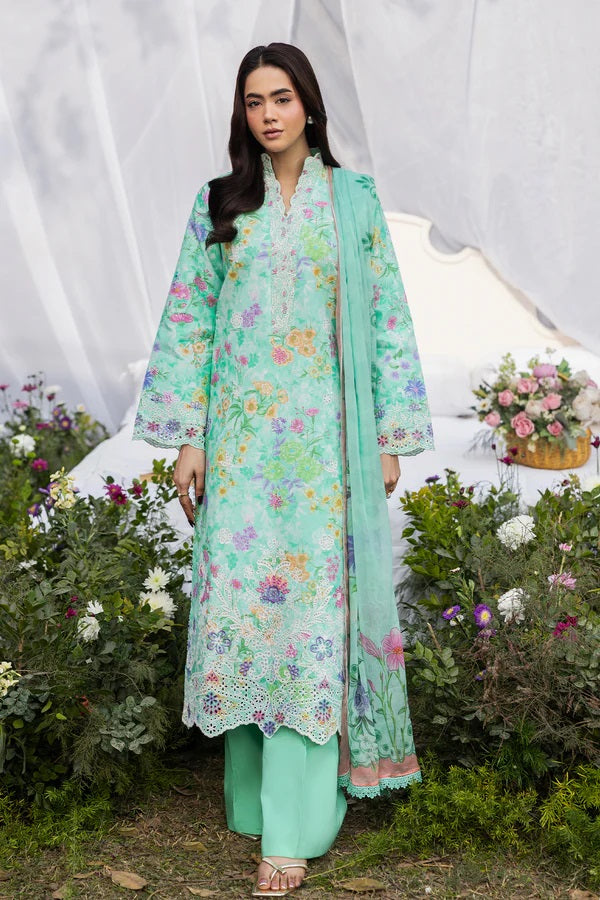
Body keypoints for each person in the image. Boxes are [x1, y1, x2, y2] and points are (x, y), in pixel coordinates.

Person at [133, 41, 434, 897]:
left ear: (310, 106)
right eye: (254, 101)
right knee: (243, 612)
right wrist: (191, 438)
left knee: (308, 622)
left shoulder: (354, 201)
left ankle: (292, 830)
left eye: (282, 98)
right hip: (239, 449)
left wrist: (387, 437)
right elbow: (190, 319)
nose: (268, 114)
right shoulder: (221, 202)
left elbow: (386, 318)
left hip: (324, 453)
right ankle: (254, 798)